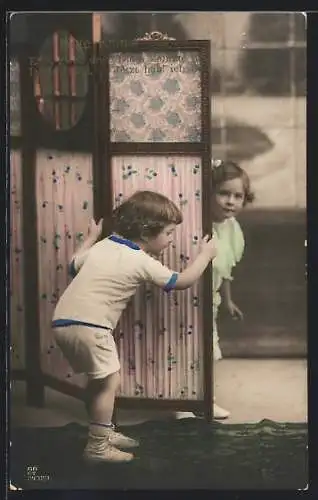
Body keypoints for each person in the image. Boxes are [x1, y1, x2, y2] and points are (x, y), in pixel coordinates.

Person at [52, 190, 217, 463]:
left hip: (63, 322)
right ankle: (97, 447)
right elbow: (181, 281)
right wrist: (206, 255)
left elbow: (72, 265)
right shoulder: (140, 260)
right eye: (169, 233)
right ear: (146, 232)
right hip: (91, 326)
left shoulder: (104, 245)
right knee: (109, 382)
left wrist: (92, 236)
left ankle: (103, 432)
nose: (171, 239)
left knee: (99, 380)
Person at [175, 158, 254, 420]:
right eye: (223, 193)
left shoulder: (232, 229)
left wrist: (228, 301)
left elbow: (226, 269)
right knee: (183, 347)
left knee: (207, 349)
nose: (231, 201)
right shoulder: (195, 224)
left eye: (238, 196)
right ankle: (180, 401)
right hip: (185, 296)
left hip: (211, 298)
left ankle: (205, 399)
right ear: (208, 193)